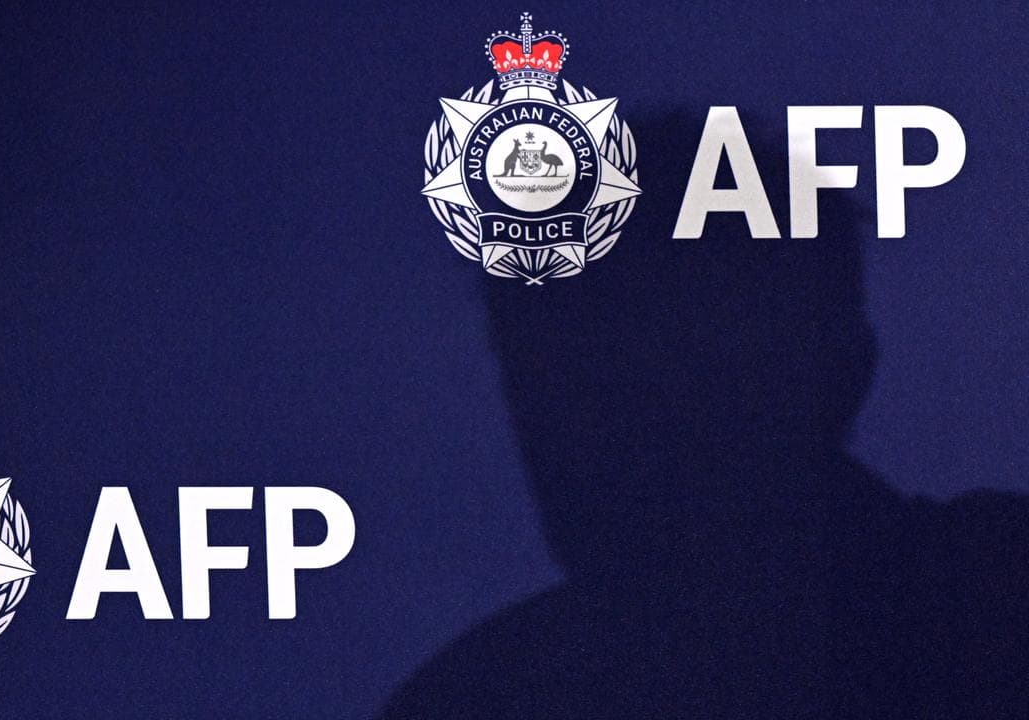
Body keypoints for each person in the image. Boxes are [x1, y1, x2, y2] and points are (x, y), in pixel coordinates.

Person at [379, 111, 1029, 719]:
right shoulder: (481, 695)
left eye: (638, 378)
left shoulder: (481, 693)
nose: (580, 439)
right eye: (547, 377)